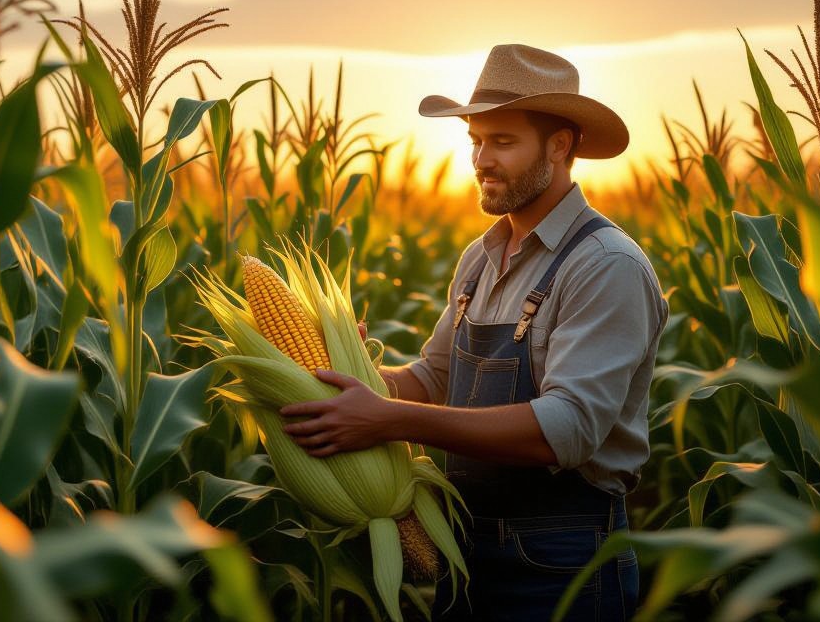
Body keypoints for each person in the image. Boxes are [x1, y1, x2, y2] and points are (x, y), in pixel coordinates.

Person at [280, 44, 668, 621]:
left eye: (503, 141)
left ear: (560, 146)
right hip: (462, 550)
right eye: (475, 141)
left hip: (563, 561)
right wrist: (348, 369)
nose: (482, 159)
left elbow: (567, 429)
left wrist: (391, 419)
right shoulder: (481, 259)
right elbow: (433, 378)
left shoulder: (605, 265)